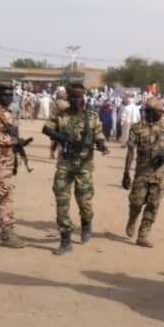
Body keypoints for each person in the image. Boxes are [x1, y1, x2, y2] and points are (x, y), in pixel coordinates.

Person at [43, 84, 109, 255]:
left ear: (84, 99)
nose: (76, 101)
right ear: (69, 100)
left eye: (79, 98)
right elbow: (46, 129)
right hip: (65, 165)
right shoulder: (61, 116)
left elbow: (99, 136)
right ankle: (65, 239)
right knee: (61, 201)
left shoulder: (92, 117)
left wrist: (102, 145)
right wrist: (63, 138)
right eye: (73, 99)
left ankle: (86, 223)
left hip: (84, 167)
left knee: (85, 202)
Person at [0, 82, 31, 249]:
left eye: (11, 95)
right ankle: (7, 233)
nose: (9, 97)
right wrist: (14, 141)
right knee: (4, 196)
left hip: (4, 160)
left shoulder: (5, 113)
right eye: (5, 95)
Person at [122, 96, 164, 247]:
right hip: (142, 173)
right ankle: (132, 219)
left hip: (158, 174)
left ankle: (143, 236)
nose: (161, 114)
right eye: (158, 112)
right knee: (136, 202)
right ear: (150, 112)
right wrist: (126, 173)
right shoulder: (136, 128)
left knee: (153, 205)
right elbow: (130, 151)